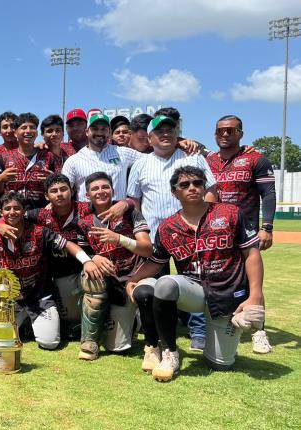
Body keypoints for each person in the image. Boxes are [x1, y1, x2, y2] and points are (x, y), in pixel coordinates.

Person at [126, 166, 265, 381]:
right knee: (165, 283)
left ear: (204, 186)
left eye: (197, 183)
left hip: (226, 293)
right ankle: (170, 353)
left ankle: (221, 346)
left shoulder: (229, 213)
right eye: (184, 185)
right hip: (193, 291)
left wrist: (255, 295)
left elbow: (251, 254)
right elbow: (156, 261)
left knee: (221, 364)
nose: (192, 188)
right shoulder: (167, 227)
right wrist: (134, 280)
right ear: (174, 192)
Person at [0, 191, 101, 350]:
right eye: (7, 209)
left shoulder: (40, 232)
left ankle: (30, 322)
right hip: (10, 299)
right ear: (1, 212)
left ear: (23, 211)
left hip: (40, 297)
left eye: (17, 208)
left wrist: (87, 261)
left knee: (49, 343)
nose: (12, 212)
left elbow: (67, 244)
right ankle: (24, 321)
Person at [126, 114, 217, 351]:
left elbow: (210, 191)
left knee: (196, 280)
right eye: (160, 131)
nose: (165, 134)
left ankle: (198, 331)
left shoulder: (192, 156)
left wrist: (204, 224)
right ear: (150, 137)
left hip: (191, 233)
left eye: (170, 130)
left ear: (177, 135)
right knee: (158, 284)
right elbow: (134, 201)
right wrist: (140, 230)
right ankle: (159, 330)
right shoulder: (141, 163)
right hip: (155, 236)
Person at [206, 114, 276, 354]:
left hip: (245, 229)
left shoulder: (255, 159)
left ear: (241, 134)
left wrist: (267, 227)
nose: (225, 135)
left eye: (231, 131)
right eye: (220, 131)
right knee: (221, 277)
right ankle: (225, 321)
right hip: (217, 229)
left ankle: (259, 331)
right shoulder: (208, 160)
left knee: (252, 279)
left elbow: (268, 194)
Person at [75, 172, 152, 360]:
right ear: (87, 195)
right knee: (91, 277)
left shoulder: (130, 212)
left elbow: (147, 249)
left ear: (112, 189)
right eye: (95, 189)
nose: (100, 191)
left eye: (105, 187)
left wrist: (119, 239)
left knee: (117, 348)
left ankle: (135, 320)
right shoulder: (84, 222)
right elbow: (83, 251)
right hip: (105, 279)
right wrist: (93, 258)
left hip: (132, 277)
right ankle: (89, 341)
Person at [61, 113, 144, 202]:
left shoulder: (123, 153)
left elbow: (150, 160)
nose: (99, 133)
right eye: (95, 129)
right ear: (87, 132)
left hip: (119, 213)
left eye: (103, 129)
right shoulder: (73, 161)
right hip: (87, 213)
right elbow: (63, 189)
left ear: (109, 132)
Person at [0, 113, 57, 209]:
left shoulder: (48, 156)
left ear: (37, 133)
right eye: (24, 127)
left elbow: (60, 186)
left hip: (41, 215)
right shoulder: (4, 157)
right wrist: (1, 179)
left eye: (32, 127)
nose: (28, 131)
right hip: (13, 216)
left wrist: (52, 179)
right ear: (15, 132)